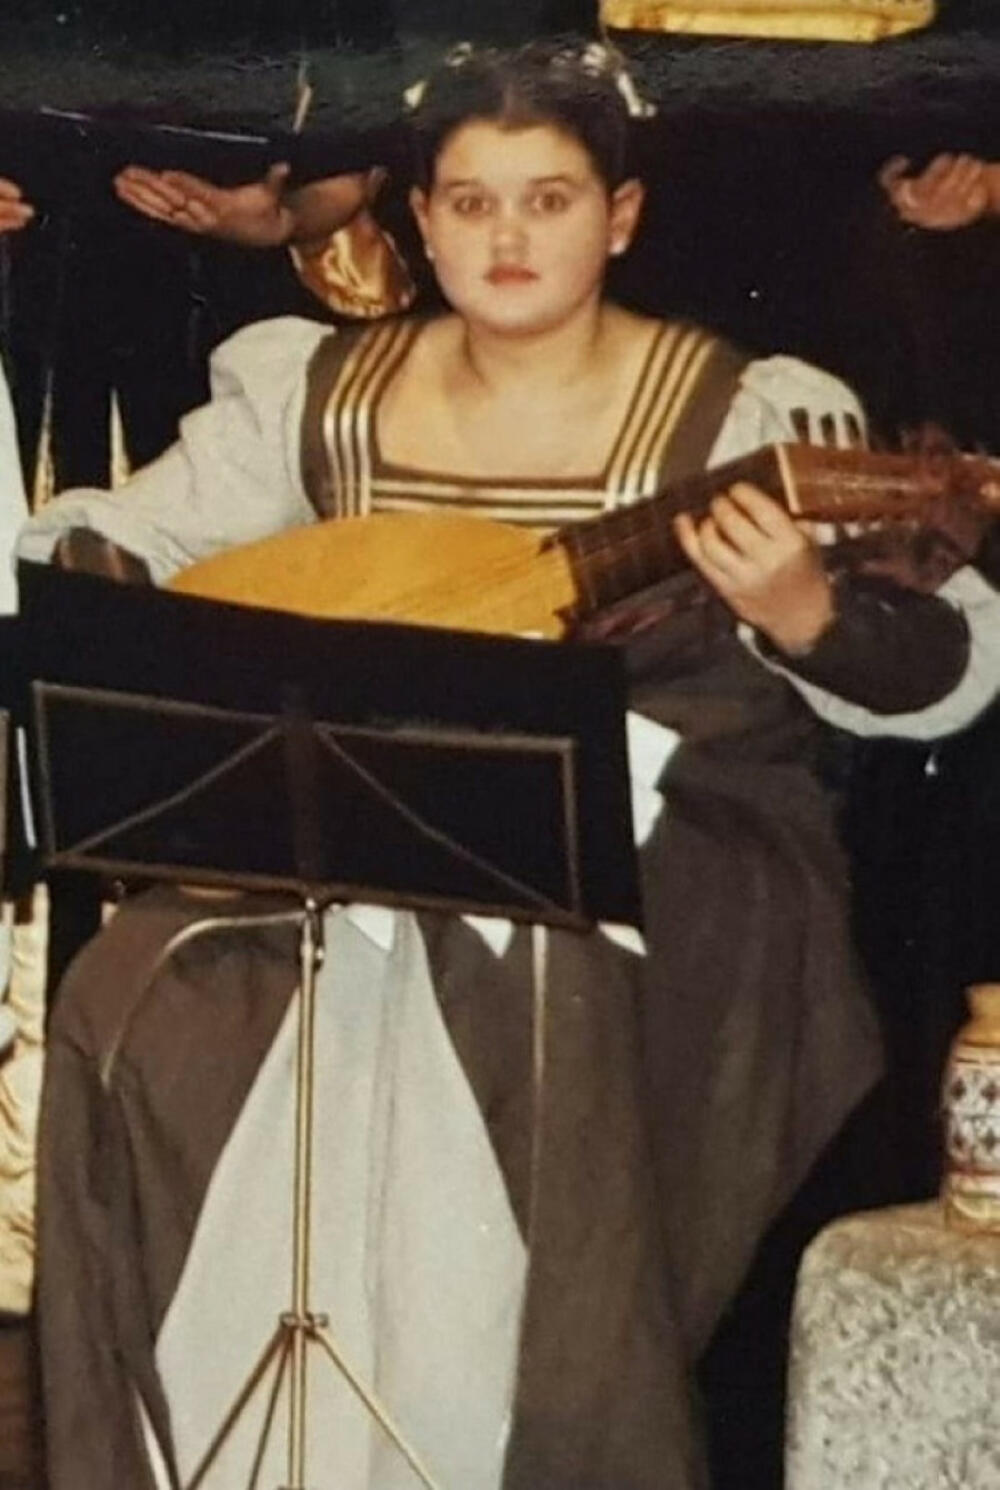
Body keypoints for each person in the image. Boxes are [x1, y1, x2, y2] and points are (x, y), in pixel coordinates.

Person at [17, 39, 1000, 1490]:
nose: (507, 237)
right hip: (345, 811)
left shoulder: (738, 411)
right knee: (131, 991)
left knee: (509, 961)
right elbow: (124, 534)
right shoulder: (322, 393)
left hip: (667, 830)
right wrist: (109, 578)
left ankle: (498, 1446)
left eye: (550, 199)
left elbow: (942, 663)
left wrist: (803, 610)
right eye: (471, 203)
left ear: (622, 215)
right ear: (421, 222)